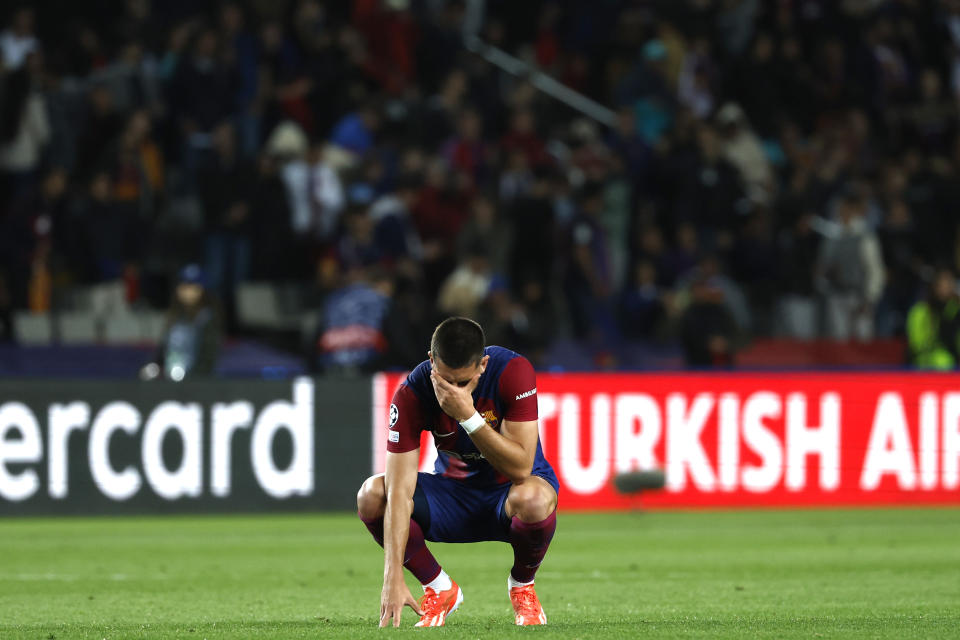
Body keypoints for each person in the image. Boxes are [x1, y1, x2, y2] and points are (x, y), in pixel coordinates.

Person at [357, 317, 558, 628]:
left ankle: (522, 585)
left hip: (506, 494)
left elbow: (520, 468)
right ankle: (438, 587)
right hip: (452, 496)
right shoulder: (412, 392)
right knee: (372, 495)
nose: (453, 390)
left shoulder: (513, 371)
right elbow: (399, 491)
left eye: (463, 383)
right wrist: (392, 576)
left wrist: (468, 415)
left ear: (483, 365)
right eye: (446, 379)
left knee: (533, 497)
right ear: (431, 360)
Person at [906, 268, 960, 370]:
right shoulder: (920, 311)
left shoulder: (955, 310)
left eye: (949, 282)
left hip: (953, 360)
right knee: (942, 361)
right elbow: (917, 343)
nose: (946, 287)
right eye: (942, 283)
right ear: (934, 286)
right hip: (925, 361)